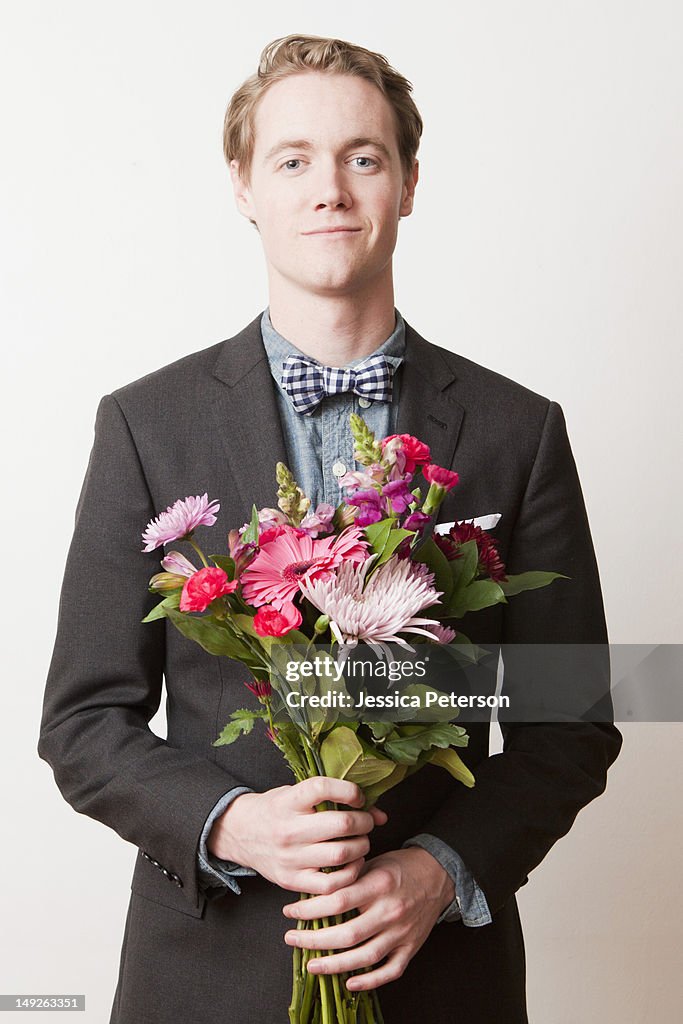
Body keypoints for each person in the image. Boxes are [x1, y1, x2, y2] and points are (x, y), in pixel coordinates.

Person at [38, 34, 622, 1024]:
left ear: (405, 183)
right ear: (244, 187)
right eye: (293, 159)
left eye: (362, 156)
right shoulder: (144, 425)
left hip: (440, 980)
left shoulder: (519, 430)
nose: (330, 190)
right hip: (202, 974)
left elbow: (567, 720)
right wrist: (233, 823)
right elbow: (82, 720)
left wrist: (439, 872)